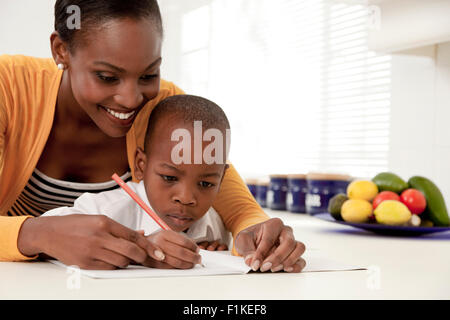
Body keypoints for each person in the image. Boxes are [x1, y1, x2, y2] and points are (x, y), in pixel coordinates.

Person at [0, 0, 306, 273]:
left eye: (148, 75)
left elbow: (239, 210)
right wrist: (39, 234)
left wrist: (261, 239)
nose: (132, 99)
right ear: (61, 51)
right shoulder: (8, 88)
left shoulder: (166, 109)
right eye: (107, 77)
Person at [43, 94, 305, 271]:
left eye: (205, 184)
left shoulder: (213, 223)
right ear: (141, 165)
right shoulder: (107, 209)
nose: (187, 197)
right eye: (169, 177)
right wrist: (142, 251)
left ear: (222, 179)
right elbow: (47, 231)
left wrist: (212, 251)